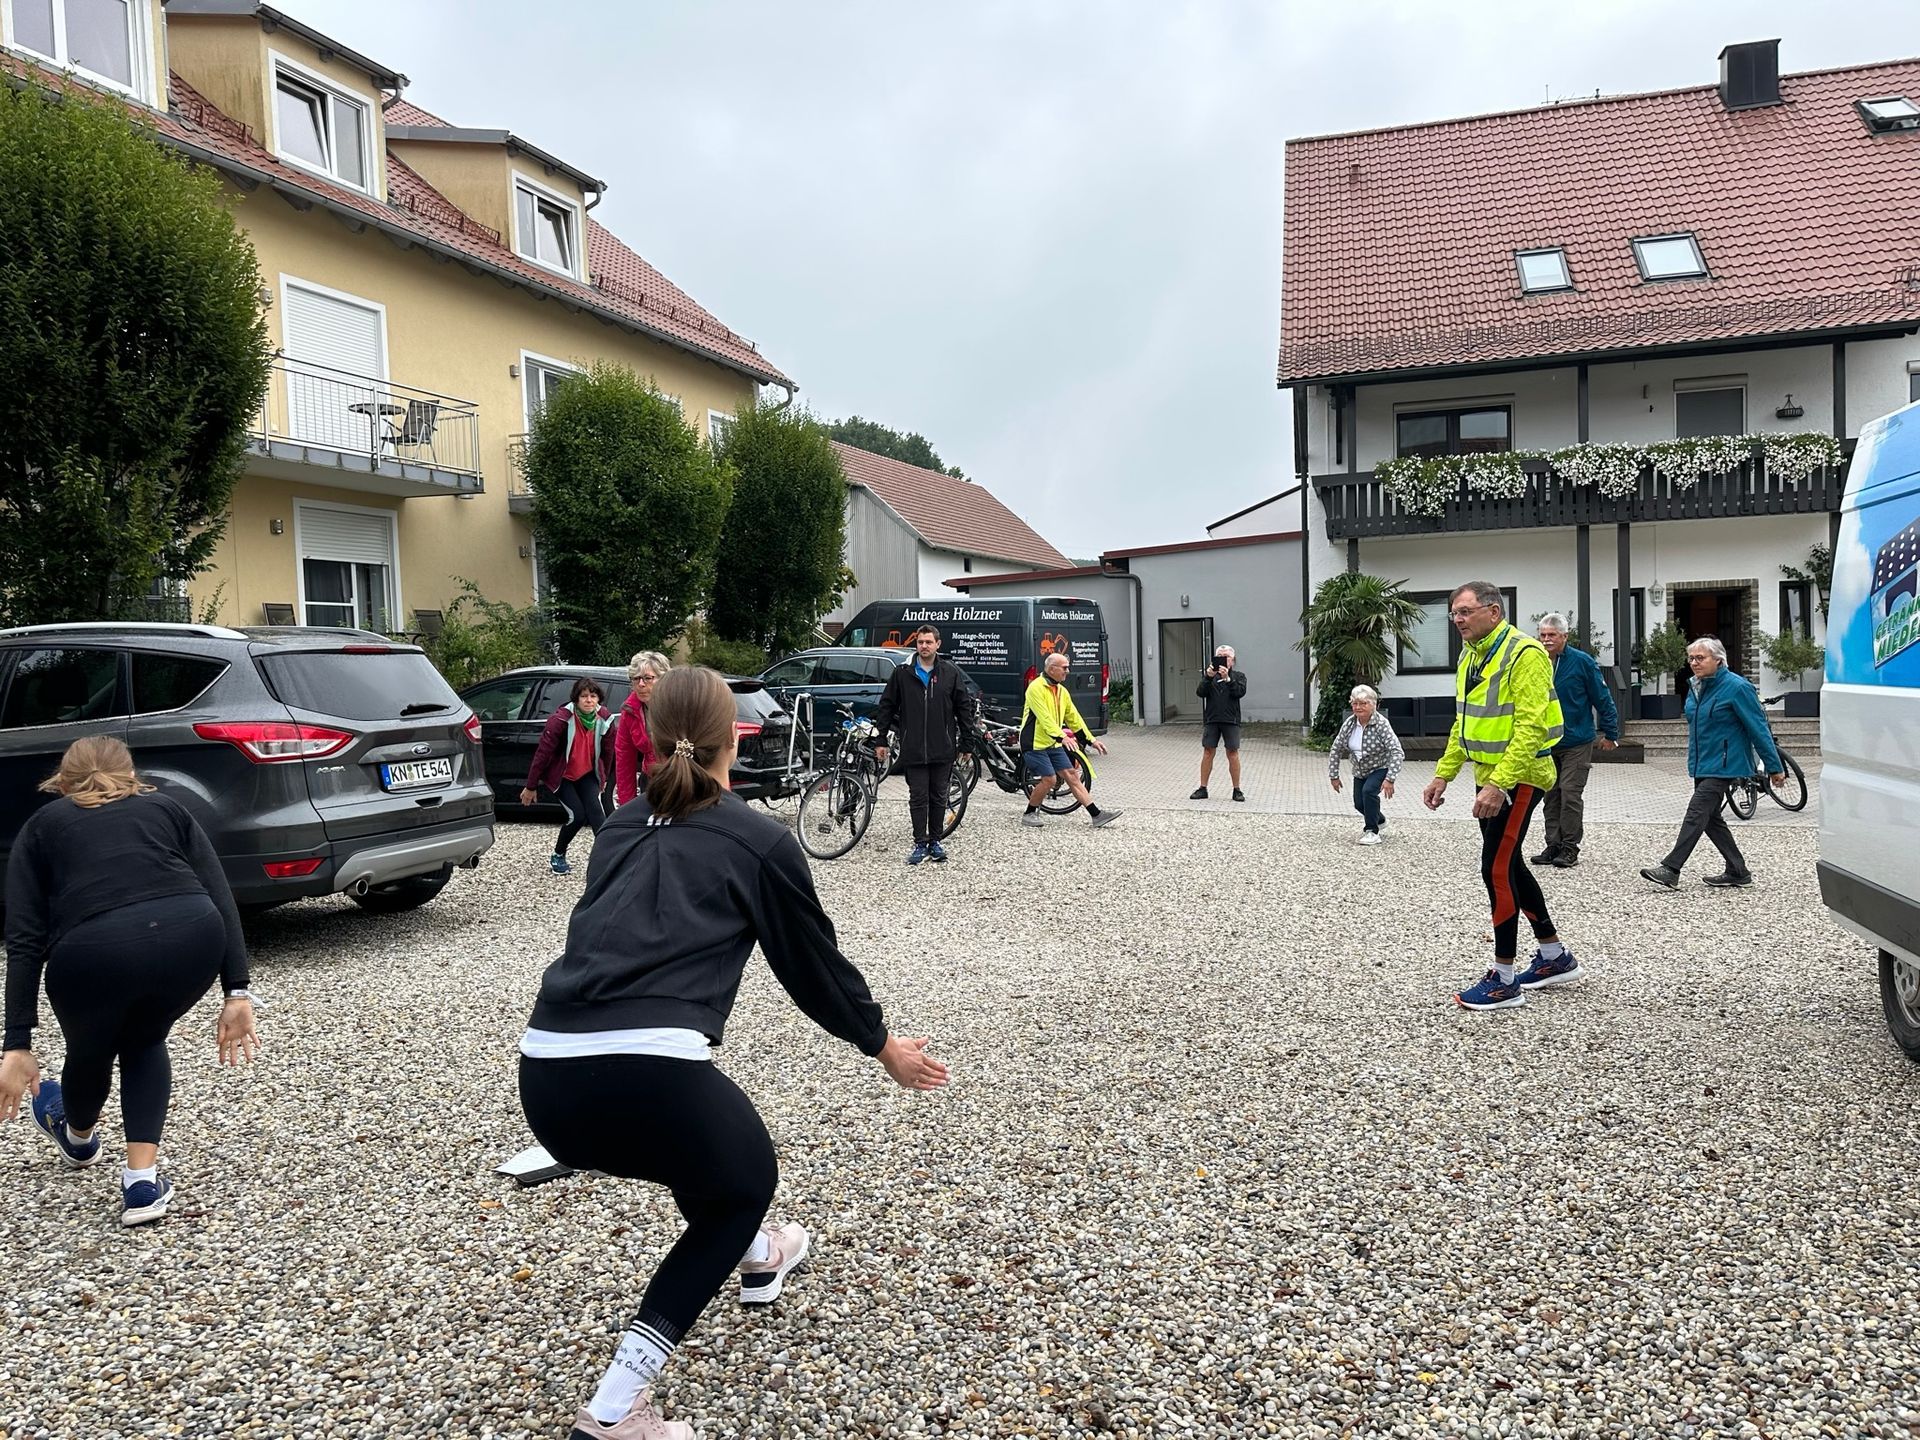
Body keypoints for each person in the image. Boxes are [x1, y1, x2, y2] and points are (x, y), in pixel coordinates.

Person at [517, 667, 949, 1440]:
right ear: (738, 734)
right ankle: (616, 1410)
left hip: (545, 1077)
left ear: (640, 734)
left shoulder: (616, 825)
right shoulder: (758, 839)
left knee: (704, 1157)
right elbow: (811, 965)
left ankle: (757, 1256)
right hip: (647, 1075)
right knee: (744, 1178)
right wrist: (884, 1047)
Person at [0, 737, 260, 1226]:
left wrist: (17, 1043)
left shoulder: (40, 827)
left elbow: (25, 938)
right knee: (144, 1038)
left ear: (61, 779)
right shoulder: (167, 808)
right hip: (192, 936)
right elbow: (220, 894)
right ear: (131, 773)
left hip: (95, 954)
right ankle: (141, 1183)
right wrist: (236, 991)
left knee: (91, 1046)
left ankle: (77, 1138)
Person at [1421, 581, 1584, 1008]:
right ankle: (1554, 956)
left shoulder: (1525, 654)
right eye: (1454, 613)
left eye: (1465, 611)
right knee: (1509, 864)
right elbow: (1465, 720)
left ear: (1494, 612)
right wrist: (1444, 774)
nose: (1457, 620)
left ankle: (1505, 979)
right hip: (1490, 774)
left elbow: (1531, 727)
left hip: (1520, 777)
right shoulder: (1471, 655)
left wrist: (1499, 785)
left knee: (1494, 869)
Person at [1640, 635, 1783, 891]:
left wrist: (1774, 766)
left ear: (1718, 659)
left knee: (1697, 811)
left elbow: (1758, 728)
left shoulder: (1737, 687)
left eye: (1700, 658)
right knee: (1710, 818)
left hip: (1726, 763)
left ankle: (1671, 868)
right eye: (1691, 658)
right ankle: (1738, 870)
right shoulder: (1696, 686)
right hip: (1702, 762)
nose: (1694, 662)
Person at [873, 626, 979, 866]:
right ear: (917, 645)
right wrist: (881, 739)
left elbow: (964, 709)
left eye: (929, 642)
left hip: (942, 747)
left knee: (939, 796)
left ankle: (936, 841)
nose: (924, 646)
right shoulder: (902, 674)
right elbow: (887, 706)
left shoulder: (950, 673)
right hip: (913, 748)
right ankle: (920, 842)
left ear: (938, 644)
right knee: (918, 796)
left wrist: (967, 742)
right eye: (920, 642)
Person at [1530, 614, 1620, 869]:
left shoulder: (1582, 663)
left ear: (1564, 637)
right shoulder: (1534, 661)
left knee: (1570, 793)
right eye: (1543, 635)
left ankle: (1570, 847)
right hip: (1547, 742)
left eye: (1552, 635)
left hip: (1576, 741)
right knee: (1551, 795)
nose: (1546, 640)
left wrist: (1611, 733)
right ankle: (1553, 844)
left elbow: (1602, 698)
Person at [521, 677, 618, 875]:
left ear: (598, 699)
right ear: (576, 699)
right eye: (584, 696)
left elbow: (608, 753)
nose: (589, 700)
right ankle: (558, 854)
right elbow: (542, 754)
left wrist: (603, 778)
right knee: (577, 816)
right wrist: (531, 786)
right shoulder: (560, 720)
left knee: (598, 817)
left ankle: (607, 862)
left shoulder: (605, 719)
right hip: (563, 775)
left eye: (593, 696)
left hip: (587, 774)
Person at [1019, 650, 1120, 829]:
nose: (1068, 671)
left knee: (1072, 775)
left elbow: (1074, 718)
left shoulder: (1061, 691)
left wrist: (1091, 740)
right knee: (1049, 779)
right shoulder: (1035, 688)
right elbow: (1044, 719)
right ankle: (1029, 813)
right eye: (1064, 667)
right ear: (1051, 669)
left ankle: (1097, 815)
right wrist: (1063, 737)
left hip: (1052, 742)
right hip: (1034, 743)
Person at [1327, 684, 1405, 844]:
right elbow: (1336, 748)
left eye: (1363, 703)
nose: (1358, 707)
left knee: (1369, 792)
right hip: (1359, 770)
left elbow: (1397, 751)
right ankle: (1380, 820)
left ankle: (1372, 831)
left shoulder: (1381, 724)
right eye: (1355, 703)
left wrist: (1390, 778)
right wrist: (1334, 775)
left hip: (1379, 767)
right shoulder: (1349, 723)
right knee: (1359, 803)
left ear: (1373, 705)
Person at [1190, 645, 1248, 801]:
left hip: (1231, 720)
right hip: (1212, 719)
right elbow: (1200, 692)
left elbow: (1239, 692)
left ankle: (1237, 790)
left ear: (1233, 661)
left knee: (1233, 753)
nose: (1224, 659)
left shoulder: (1239, 676)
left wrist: (1228, 679)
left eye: (1227, 657)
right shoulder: (1210, 677)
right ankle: (1203, 788)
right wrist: (1208, 677)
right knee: (1208, 752)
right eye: (1220, 656)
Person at [614, 652, 670, 809]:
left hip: (680, 778)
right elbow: (624, 757)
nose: (641, 684)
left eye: (648, 678)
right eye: (636, 679)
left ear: (663, 679)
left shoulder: (678, 705)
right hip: (650, 778)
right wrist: (627, 805)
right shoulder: (629, 710)